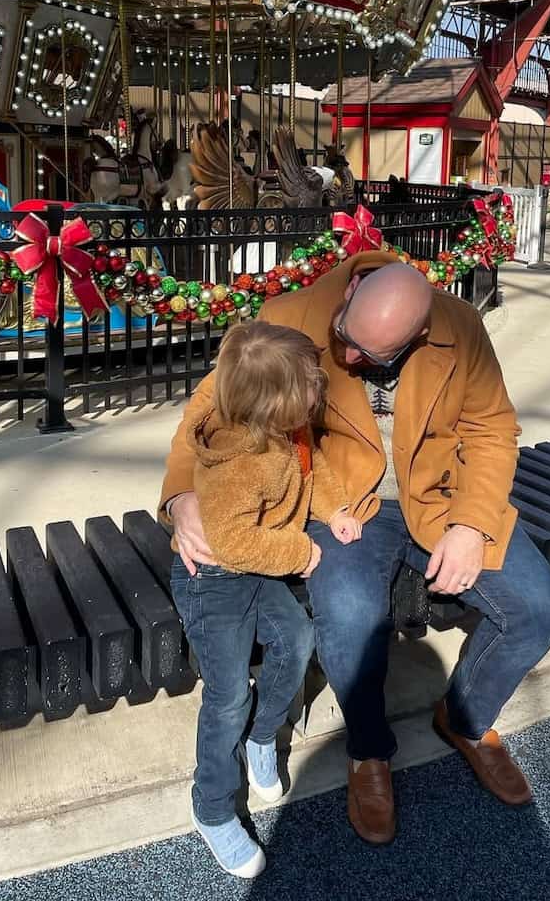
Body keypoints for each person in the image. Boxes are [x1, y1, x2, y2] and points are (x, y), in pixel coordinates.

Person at [161, 251, 550, 847]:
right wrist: (179, 497)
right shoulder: (289, 316)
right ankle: (368, 752)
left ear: (421, 332)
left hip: (443, 501)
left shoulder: (458, 326)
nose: (349, 359)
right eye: (346, 340)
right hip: (345, 503)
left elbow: (492, 430)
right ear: (351, 290)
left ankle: (465, 719)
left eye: (370, 356)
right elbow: (207, 409)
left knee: (540, 609)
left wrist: (472, 526)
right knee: (351, 617)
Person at [170, 321, 361, 878]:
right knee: (227, 694)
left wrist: (335, 511)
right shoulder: (242, 460)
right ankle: (211, 808)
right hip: (216, 578)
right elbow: (231, 541)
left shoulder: (287, 432)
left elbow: (312, 469)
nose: (320, 387)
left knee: (298, 641)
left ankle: (262, 735)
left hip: (257, 567)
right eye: (309, 383)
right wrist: (300, 552)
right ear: (274, 402)